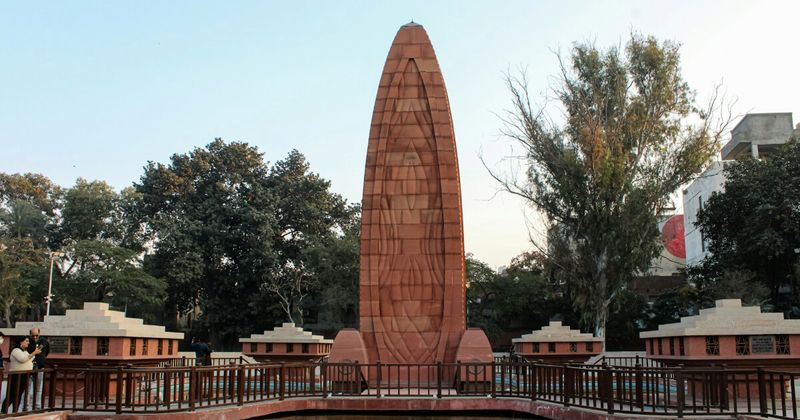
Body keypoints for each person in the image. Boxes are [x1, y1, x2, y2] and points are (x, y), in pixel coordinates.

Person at [3, 337, 41, 413]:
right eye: (26, 341)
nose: (28, 343)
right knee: (12, 394)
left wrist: (34, 354)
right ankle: (3, 411)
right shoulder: (16, 350)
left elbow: (29, 358)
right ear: (21, 342)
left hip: (24, 375)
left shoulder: (25, 351)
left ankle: (15, 411)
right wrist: (34, 353)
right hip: (16, 375)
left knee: (19, 394)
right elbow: (22, 359)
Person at [27, 328, 49, 409]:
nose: (35, 337)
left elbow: (46, 352)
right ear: (30, 334)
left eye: (36, 335)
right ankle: (26, 406)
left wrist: (41, 359)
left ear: (39, 334)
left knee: (38, 388)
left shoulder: (44, 341)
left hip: (39, 367)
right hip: (29, 368)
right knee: (27, 388)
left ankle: (37, 405)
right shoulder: (27, 341)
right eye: (33, 336)